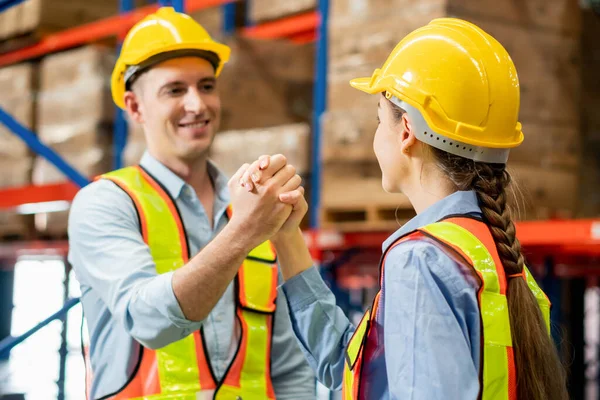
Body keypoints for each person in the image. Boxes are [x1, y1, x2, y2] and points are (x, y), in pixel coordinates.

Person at [240, 17, 569, 400]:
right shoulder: (498, 259)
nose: (376, 136)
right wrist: (287, 236)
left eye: (379, 119)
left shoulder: (419, 261)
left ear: (407, 131)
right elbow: (356, 367)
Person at [67, 7, 315, 399]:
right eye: (175, 90)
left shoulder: (249, 204)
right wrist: (243, 233)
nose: (197, 105)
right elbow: (150, 321)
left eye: (206, 86)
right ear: (135, 107)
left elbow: (288, 366)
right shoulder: (105, 204)